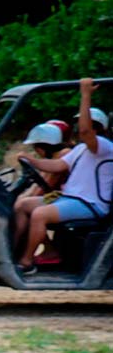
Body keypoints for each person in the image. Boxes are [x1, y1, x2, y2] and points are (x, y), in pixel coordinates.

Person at [16, 79, 113, 275]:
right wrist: (31, 161)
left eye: (85, 124)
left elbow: (86, 132)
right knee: (22, 206)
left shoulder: (103, 147)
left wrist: (85, 94)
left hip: (89, 204)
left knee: (39, 214)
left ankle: (26, 262)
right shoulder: (81, 149)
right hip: (70, 199)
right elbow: (58, 165)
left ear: (98, 128)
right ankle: (14, 250)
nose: (79, 128)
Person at [12, 121, 70, 255]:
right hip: (57, 194)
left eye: (36, 147)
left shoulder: (63, 154)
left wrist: (23, 199)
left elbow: (46, 184)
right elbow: (42, 181)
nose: (36, 152)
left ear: (43, 146)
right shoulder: (54, 156)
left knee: (22, 207)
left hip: (63, 195)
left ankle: (14, 248)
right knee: (20, 202)